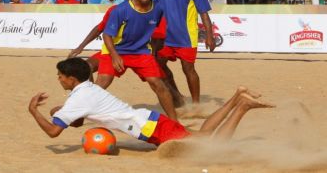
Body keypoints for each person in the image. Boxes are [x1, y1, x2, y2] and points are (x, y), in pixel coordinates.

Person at [29, 58, 274, 145]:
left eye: (60, 77)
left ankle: (242, 106)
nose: (58, 79)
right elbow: (78, 120)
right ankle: (237, 95)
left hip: (150, 127)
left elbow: (53, 132)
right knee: (200, 134)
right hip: (149, 121)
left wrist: (33, 111)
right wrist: (60, 109)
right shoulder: (87, 89)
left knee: (208, 143)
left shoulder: (78, 98)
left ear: (71, 79)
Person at [95, 0, 177, 120]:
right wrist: (114, 56)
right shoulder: (120, 10)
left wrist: (154, 52)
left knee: (158, 84)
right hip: (116, 51)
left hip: (141, 52)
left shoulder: (158, 9)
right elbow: (107, 35)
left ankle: (174, 122)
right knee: (101, 84)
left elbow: (156, 32)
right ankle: (77, 114)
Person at [155, 0, 215, 106]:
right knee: (158, 65)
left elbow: (204, 14)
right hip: (164, 37)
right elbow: (154, 11)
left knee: (188, 70)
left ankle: (195, 104)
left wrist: (210, 36)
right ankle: (177, 97)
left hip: (186, 37)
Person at [68, 0, 137, 72]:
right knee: (86, 69)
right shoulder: (116, 10)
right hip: (117, 50)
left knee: (157, 82)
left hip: (141, 52)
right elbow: (99, 28)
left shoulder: (154, 10)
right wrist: (81, 47)